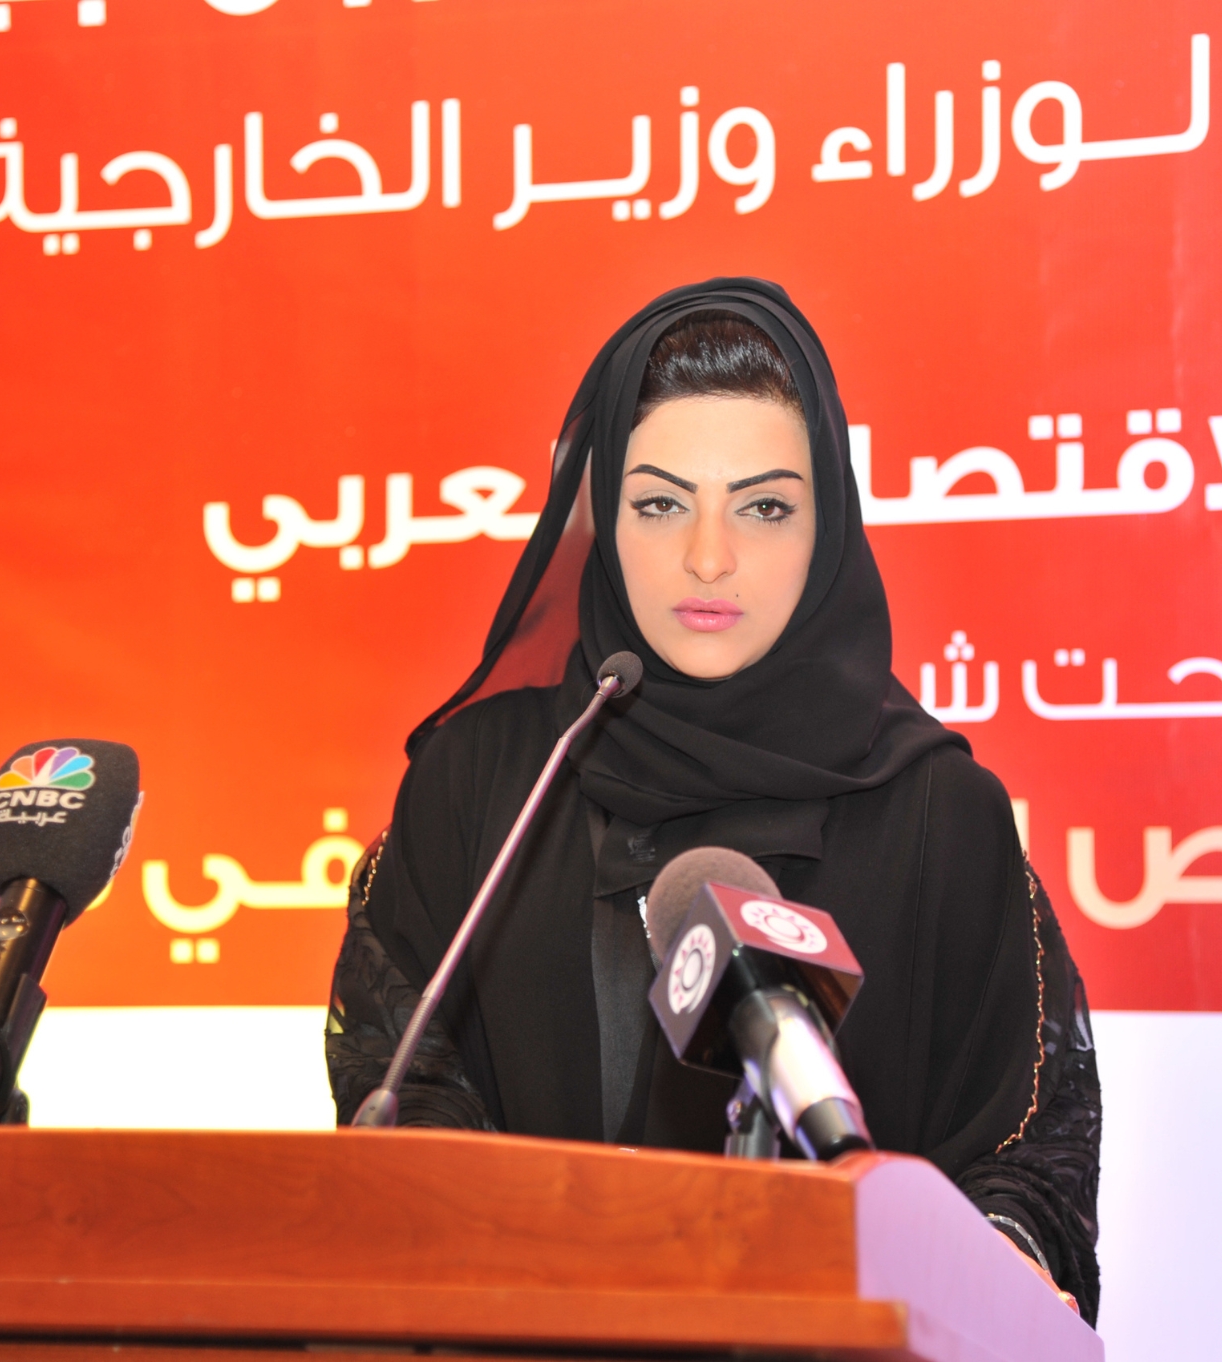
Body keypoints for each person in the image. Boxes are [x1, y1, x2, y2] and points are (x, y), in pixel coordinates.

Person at [327, 278, 1101, 1320]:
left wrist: (995, 1254)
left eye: (765, 506)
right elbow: (400, 1083)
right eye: (658, 503)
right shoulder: (486, 784)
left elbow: (1021, 1146)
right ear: (599, 516)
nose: (707, 557)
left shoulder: (938, 816)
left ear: (828, 526)